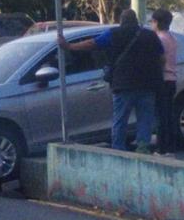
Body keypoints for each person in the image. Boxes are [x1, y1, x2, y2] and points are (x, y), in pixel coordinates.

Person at [58, 9, 164, 152]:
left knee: (120, 119)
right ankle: (143, 148)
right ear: (136, 21)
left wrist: (69, 46)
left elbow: (92, 44)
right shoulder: (150, 35)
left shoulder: (113, 34)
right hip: (147, 85)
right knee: (145, 119)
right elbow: (162, 58)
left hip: (123, 85)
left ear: (121, 21)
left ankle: (119, 149)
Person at [150, 8, 178, 156]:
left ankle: (162, 149)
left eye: (152, 22)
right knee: (168, 114)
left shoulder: (159, 39)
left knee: (161, 115)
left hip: (163, 79)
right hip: (172, 79)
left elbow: (160, 60)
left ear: (156, 22)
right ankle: (170, 147)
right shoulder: (171, 38)